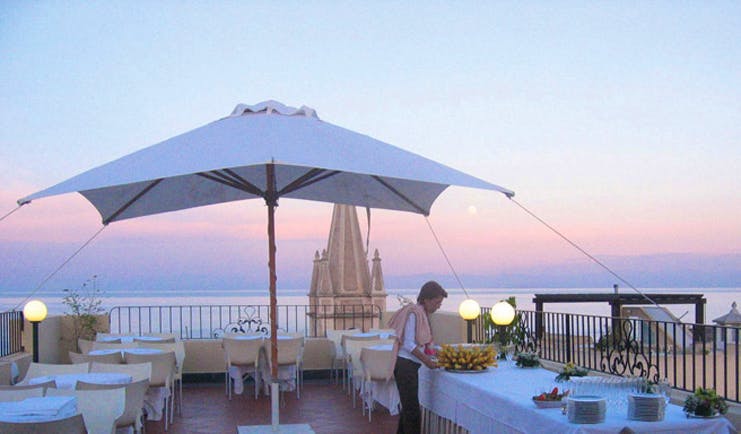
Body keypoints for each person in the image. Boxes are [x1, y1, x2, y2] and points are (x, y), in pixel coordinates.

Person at [388, 280, 447, 434]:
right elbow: (408, 344)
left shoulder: (422, 314)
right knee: (412, 412)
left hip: (409, 366)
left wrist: (435, 353)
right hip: (405, 366)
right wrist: (427, 361)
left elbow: (422, 343)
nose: (439, 306)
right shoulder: (414, 314)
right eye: (437, 302)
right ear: (426, 299)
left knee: (408, 410)